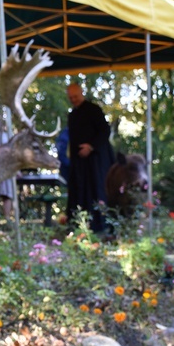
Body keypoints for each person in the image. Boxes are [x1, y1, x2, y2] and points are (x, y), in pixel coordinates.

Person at [65, 82, 115, 233]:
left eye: (76, 96)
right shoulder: (72, 115)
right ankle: (80, 225)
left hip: (97, 162)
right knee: (79, 192)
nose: (73, 99)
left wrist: (91, 146)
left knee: (97, 191)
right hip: (79, 164)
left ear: (82, 94)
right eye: (71, 97)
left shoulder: (94, 110)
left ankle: (101, 224)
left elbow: (105, 131)